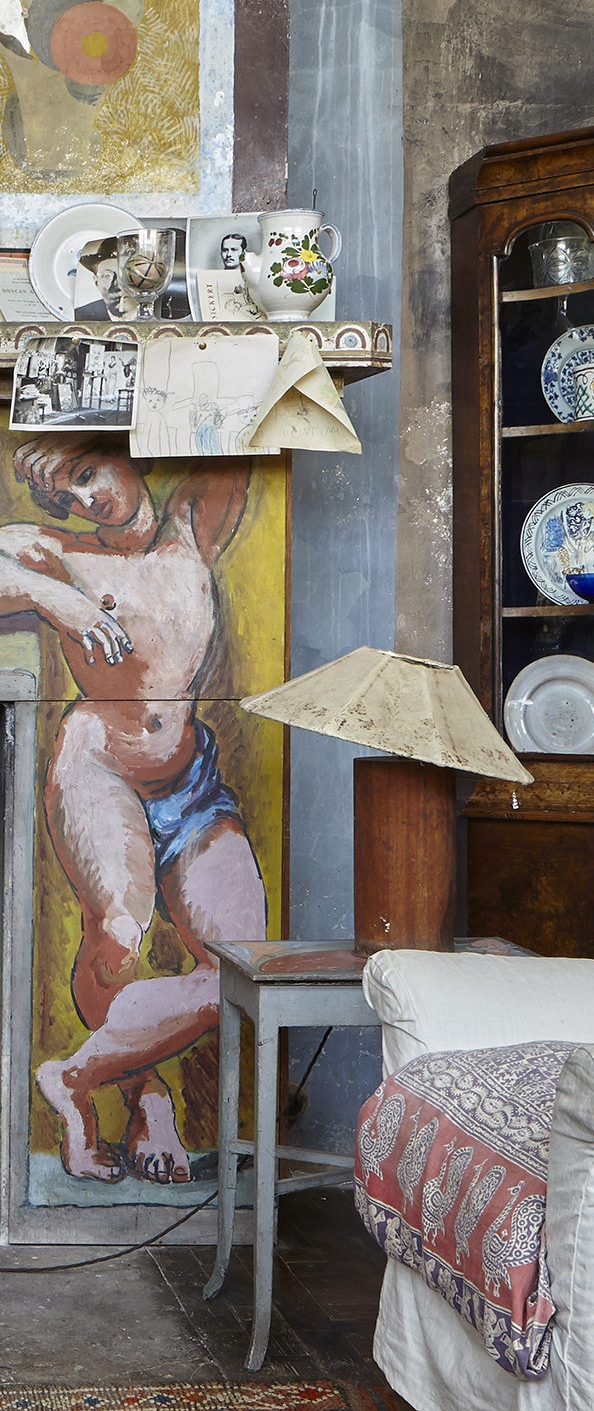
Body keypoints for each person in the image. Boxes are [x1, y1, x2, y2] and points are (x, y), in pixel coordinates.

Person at [0, 437, 265, 1184]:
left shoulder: (191, 526)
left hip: (191, 779)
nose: (82, 501)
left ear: (125, 453)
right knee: (116, 936)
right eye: (64, 496)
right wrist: (54, 596)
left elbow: (236, 429)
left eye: (86, 476)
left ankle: (74, 1079)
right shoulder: (58, 552)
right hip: (100, 765)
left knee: (240, 973)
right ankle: (146, 1098)